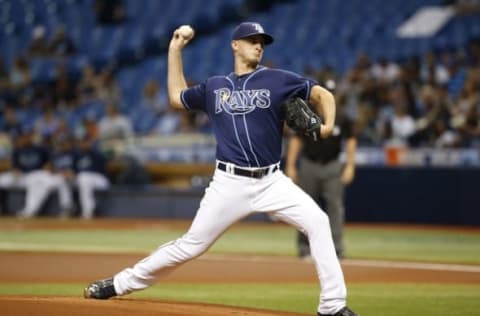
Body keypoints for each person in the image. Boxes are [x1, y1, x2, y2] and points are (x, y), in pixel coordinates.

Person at [83, 22, 358, 316]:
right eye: (252, 40)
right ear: (235, 45)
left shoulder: (278, 80)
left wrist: (327, 125)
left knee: (317, 220)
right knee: (191, 246)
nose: (258, 45)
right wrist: (175, 50)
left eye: (261, 41)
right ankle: (118, 283)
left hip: (271, 180)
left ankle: (332, 306)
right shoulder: (215, 87)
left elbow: (322, 95)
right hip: (229, 183)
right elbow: (177, 97)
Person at [286, 99, 357, 260]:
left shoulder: (341, 116)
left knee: (335, 207)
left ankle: (337, 249)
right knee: (304, 207)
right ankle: (304, 248)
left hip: (332, 165)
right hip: (309, 164)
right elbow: (296, 140)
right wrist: (291, 165)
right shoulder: (305, 113)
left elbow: (351, 139)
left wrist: (350, 165)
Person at [0, 127, 52, 218]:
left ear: (31, 136)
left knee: (37, 183)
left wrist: (47, 167)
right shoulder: (18, 150)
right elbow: (14, 166)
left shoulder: (40, 149)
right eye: (24, 136)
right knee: (2, 179)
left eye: (27, 136)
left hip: (36, 175)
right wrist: (15, 171)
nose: (25, 138)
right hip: (22, 177)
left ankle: (28, 211)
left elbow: (49, 164)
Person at [74, 136, 110, 219]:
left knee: (84, 177)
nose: (84, 144)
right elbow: (75, 170)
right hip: (83, 179)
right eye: (82, 143)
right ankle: (70, 207)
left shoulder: (96, 153)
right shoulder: (77, 155)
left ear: (90, 143)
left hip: (101, 179)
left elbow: (101, 168)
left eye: (86, 142)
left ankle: (87, 212)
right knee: (79, 179)